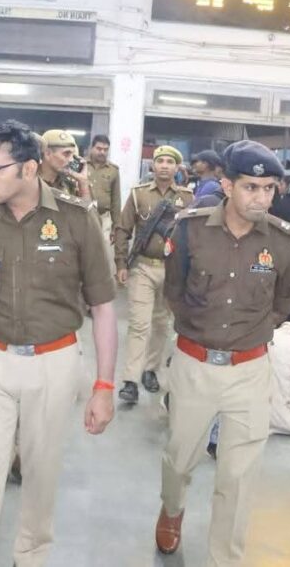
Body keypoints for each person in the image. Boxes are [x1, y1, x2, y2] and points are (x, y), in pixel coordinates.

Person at [0, 120, 118, 567]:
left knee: (40, 476)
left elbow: (102, 307)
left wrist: (104, 386)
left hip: (54, 363)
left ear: (28, 168)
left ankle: (31, 556)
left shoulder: (76, 220)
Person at [157, 139, 290, 562]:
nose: (261, 198)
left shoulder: (284, 242)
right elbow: (174, 291)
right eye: (250, 187)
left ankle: (225, 557)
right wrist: (201, 331)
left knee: (238, 477)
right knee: (180, 459)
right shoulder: (190, 230)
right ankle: (172, 509)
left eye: (269, 188)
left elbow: (284, 303)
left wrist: (247, 334)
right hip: (194, 364)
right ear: (226, 185)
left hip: (250, 370)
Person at [113, 145, 194, 403]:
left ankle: (151, 369)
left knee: (161, 323)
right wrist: (121, 263)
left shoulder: (187, 198)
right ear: (153, 165)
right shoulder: (139, 194)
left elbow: (194, 235)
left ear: (177, 167)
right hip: (143, 268)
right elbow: (123, 229)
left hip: (172, 270)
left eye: (170, 162)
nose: (165, 166)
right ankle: (130, 381)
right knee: (139, 324)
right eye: (160, 161)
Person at [85, 134, 120, 247]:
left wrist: (116, 227)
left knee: (103, 250)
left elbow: (116, 200)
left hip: (104, 218)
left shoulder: (113, 170)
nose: (102, 152)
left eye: (105, 150)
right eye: (99, 149)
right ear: (91, 148)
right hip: (82, 217)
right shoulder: (81, 165)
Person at [38, 129, 91, 201]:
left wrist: (83, 182)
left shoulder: (69, 185)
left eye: (73, 155)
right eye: (66, 154)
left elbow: (86, 207)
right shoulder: (29, 182)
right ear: (47, 154)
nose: (71, 160)